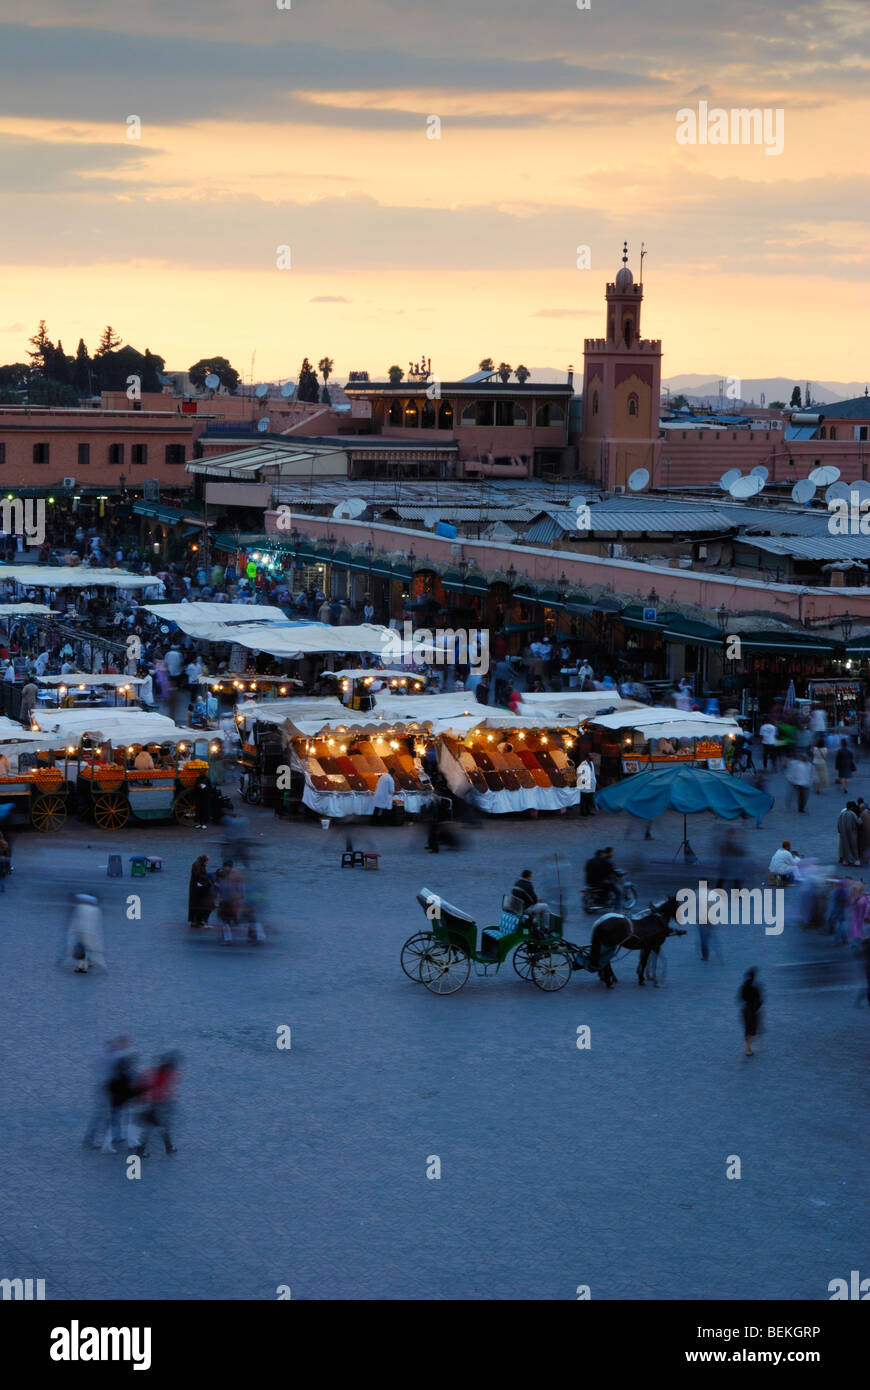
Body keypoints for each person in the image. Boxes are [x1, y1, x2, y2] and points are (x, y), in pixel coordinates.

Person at [133, 1053, 180, 1157]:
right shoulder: (163, 1075)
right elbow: (162, 1091)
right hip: (156, 1106)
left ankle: (167, 1147)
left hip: (152, 1105)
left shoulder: (155, 1072)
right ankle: (167, 1148)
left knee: (154, 1128)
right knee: (159, 1127)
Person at [65, 892, 106, 973]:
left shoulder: (80, 907)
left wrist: (73, 931)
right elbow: (97, 923)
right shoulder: (96, 910)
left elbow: (76, 920)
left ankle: (81, 966)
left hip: (81, 931)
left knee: (81, 948)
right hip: (90, 932)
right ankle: (84, 966)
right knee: (87, 949)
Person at [738, 968, 764, 1058]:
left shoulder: (744, 987)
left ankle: (749, 1048)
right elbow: (760, 1000)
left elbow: (740, 998)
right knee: (753, 1029)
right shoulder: (756, 987)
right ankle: (749, 1048)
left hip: (746, 1009)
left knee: (747, 1028)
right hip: (753, 1010)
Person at [188, 854, 214, 927]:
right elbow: (199, 876)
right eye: (207, 861)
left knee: (198, 904)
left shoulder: (200, 864)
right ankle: (195, 921)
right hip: (196, 888)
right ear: (204, 860)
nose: (207, 863)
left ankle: (198, 920)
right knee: (196, 904)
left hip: (197, 887)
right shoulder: (197, 865)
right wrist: (207, 879)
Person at [837, 801, 861, 866]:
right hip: (852, 833)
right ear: (851, 807)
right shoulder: (852, 814)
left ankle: (846, 860)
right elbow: (859, 822)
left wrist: (839, 831)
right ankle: (855, 860)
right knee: (853, 847)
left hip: (843, 833)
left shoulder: (842, 814)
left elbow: (838, 823)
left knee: (845, 847)